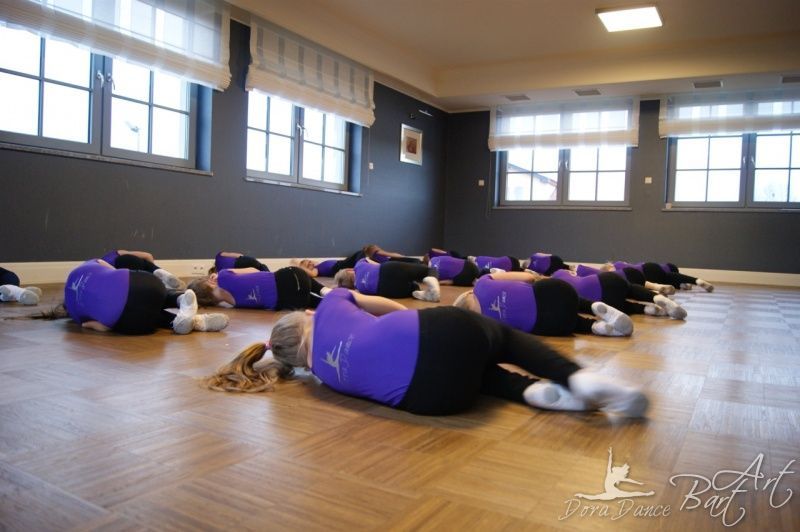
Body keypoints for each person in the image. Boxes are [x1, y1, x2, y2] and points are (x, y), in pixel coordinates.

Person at [205, 288, 649, 418]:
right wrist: (414, 322)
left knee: (476, 374)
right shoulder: (331, 302)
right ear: (306, 316)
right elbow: (387, 307)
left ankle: (531, 393)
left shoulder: (321, 377)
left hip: (435, 399)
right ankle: (576, 377)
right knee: (502, 337)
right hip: (438, 333)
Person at [64, 259, 228, 335]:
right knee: (158, 295)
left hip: (137, 324)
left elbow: (101, 327)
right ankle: (180, 299)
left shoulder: (77, 315)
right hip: (149, 286)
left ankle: (193, 322)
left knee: (148, 316)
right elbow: (112, 269)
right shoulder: (83, 267)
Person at [453, 271, 634, 337]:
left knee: (573, 324)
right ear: (468, 293)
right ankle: (592, 307)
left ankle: (593, 327)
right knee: (575, 300)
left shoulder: (487, 327)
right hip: (557, 293)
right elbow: (528, 277)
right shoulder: (482, 283)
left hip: (551, 324)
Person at [551, 269, 687, 320]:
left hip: (603, 299)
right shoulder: (560, 272)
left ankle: (647, 309)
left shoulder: (555, 288)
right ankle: (656, 297)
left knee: (623, 306)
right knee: (631, 289)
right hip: (604, 279)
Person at [188, 266, 329, 310]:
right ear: (210, 282)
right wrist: (219, 275)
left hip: (292, 302)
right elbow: (253, 270)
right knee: (293, 274)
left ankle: (327, 302)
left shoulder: (235, 305)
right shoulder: (224, 275)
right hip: (295, 278)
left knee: (312, 302)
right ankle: (323, 289)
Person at [333, 257, 440, 301]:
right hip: (387, 269)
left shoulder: (360, 289)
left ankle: (419, 292)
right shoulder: (358, 265)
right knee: (427, 271)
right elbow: (374, 263)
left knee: (413, 287)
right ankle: (431, 280)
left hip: (387, 289)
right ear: (349, 270)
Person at [100, 249, 185, 290]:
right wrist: (152, 267)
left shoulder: (99, 270)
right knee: (148, 266)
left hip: (124, 274)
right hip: (126, 259)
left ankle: (160, 285)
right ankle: (156, 272)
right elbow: (148, 255)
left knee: (144, 284)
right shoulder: (113, 254)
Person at [612, 260, 714, 292]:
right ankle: (696, 281)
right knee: (666, 277)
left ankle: (683, 284)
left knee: (665, 279)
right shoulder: (620, 264)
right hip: (649, 267)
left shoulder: (615, 268)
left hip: (646, 275)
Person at [576, 264, 676, 296]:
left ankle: (656, 291)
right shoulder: (618, 267)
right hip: (634, 273)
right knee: (645, 284)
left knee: (633, 288)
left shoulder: (606, 274)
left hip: (625, 278)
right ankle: (657, 287)